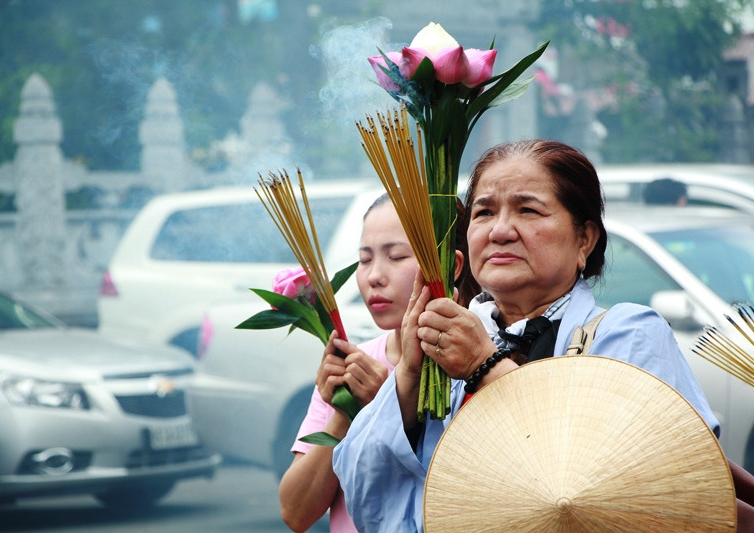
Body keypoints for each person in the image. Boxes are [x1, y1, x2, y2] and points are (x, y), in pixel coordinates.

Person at [332, 140, 719, 532]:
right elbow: (369, 501)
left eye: (528, 209)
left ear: (584, 239)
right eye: (484, 212)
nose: (500, 231)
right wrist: (408, 377)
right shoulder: (443, 358)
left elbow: (633, 490)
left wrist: (485, 366)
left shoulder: (627, 338)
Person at [278, 193, 477, 532]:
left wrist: (385, 406)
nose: (374, 276)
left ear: (451, 266)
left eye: (396, 256)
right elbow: (296, 513)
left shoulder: (477, 367)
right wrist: (345, 415)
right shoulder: (353, 367)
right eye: (365, 259)